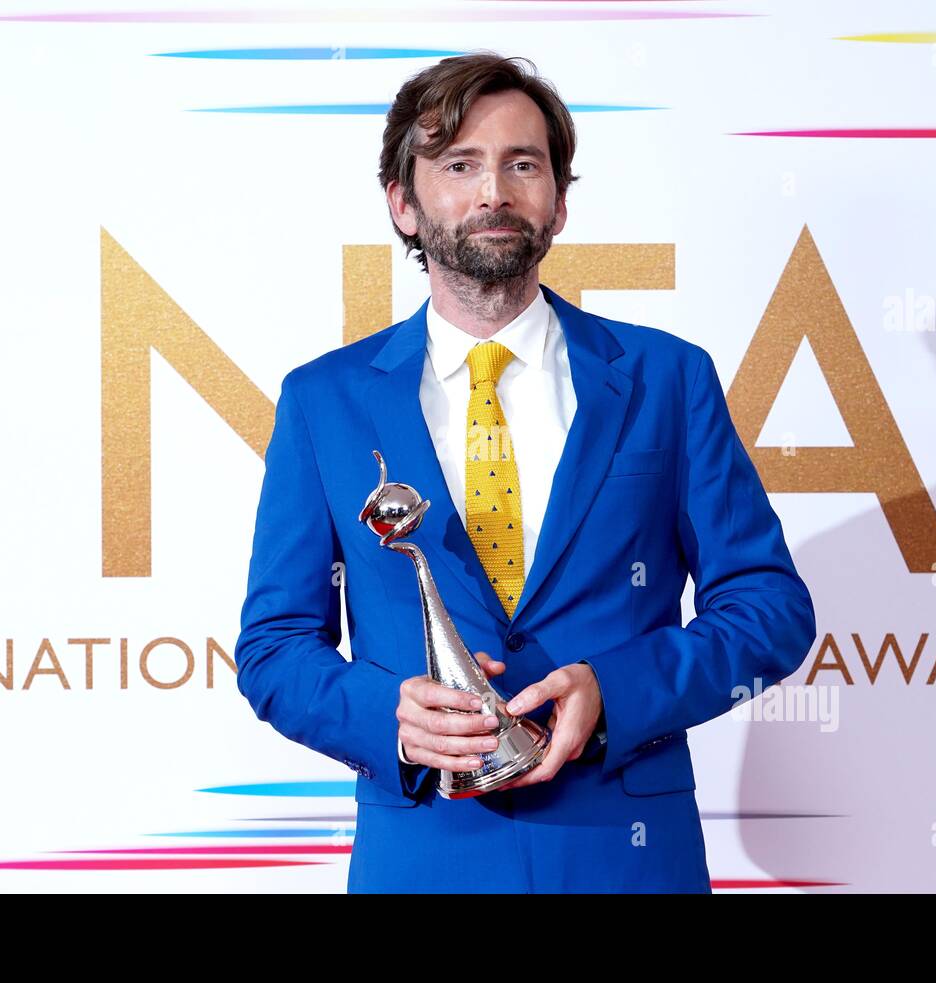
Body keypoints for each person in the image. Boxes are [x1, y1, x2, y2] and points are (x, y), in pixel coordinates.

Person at [234, 53, 816, 893]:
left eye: (523, 164)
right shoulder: (323, 401)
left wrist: (617, 691)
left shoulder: (666, 378)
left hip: (628, 857)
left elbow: (771, 609)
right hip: (423, 859)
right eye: (459, 164)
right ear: (402, 203)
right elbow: (275, 646)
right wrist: (388, 717)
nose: (493, 192)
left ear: (560, 200)